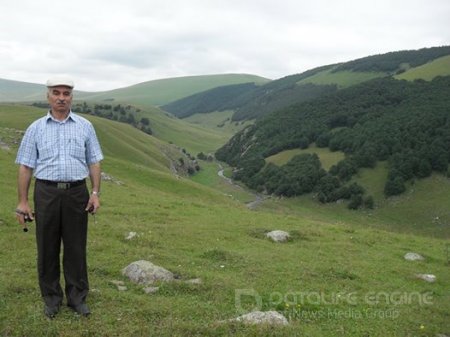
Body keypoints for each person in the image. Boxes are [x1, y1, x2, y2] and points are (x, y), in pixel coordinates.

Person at [15, 77, 103, 318]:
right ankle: (51, 299)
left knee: (76, 246)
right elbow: (25, 167)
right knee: (47, 247)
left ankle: (77, 298)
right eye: (56, 93)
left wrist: (95, 193)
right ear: (48, 97)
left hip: (77, 192)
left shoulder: (85, 126)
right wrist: (23, 202)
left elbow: (94, 160)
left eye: (66, 93)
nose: (61, 97)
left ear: (72, 97)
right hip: (46, 192)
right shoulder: (36, 128)